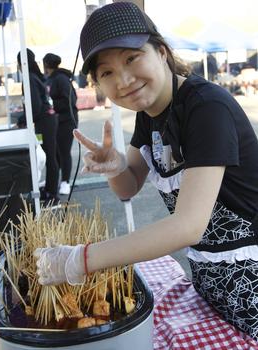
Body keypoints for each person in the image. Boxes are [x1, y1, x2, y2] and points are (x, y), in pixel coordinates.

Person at [35, 2, 258, 340]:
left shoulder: (206, 108)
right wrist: (114, 167)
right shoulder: (149, 114)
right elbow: (127, 187)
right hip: (212, 283)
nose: (123, 80)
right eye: (106, 72)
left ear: (162, 52)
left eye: (131, 58)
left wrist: (81, 259)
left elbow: (188, 226)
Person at [17, 49, 60, 205]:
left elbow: (34, 107)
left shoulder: (29, 78)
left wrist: (23, 119)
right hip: (47, 121)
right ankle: (50, 189)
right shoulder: (35, 77)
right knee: (50, 156)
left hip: (45, 123)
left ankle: (52, 193)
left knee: (49, 156)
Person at [43, 53, 79, 195]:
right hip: (55, 121)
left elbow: (69, 101)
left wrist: (50, 105)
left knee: (64, 152)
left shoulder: (61, 79)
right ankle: (55, 180)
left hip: (66, 121)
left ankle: (65, 182)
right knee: (56, 152)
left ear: (46, 64)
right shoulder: (50, 79)